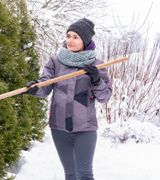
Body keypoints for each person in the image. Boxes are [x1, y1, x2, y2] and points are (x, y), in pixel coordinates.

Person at [25, 18, 112, 180]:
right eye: (68, 35)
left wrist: (96, 80)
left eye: (75, 37)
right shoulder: (56, 62)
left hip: (85, 128)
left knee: (84, 174)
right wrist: (35, 87)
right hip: (59, 127)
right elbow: (45, 86)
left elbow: (105, 97)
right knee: (70, 174)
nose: (70, 40)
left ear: (85, 40)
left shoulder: (97, 66)